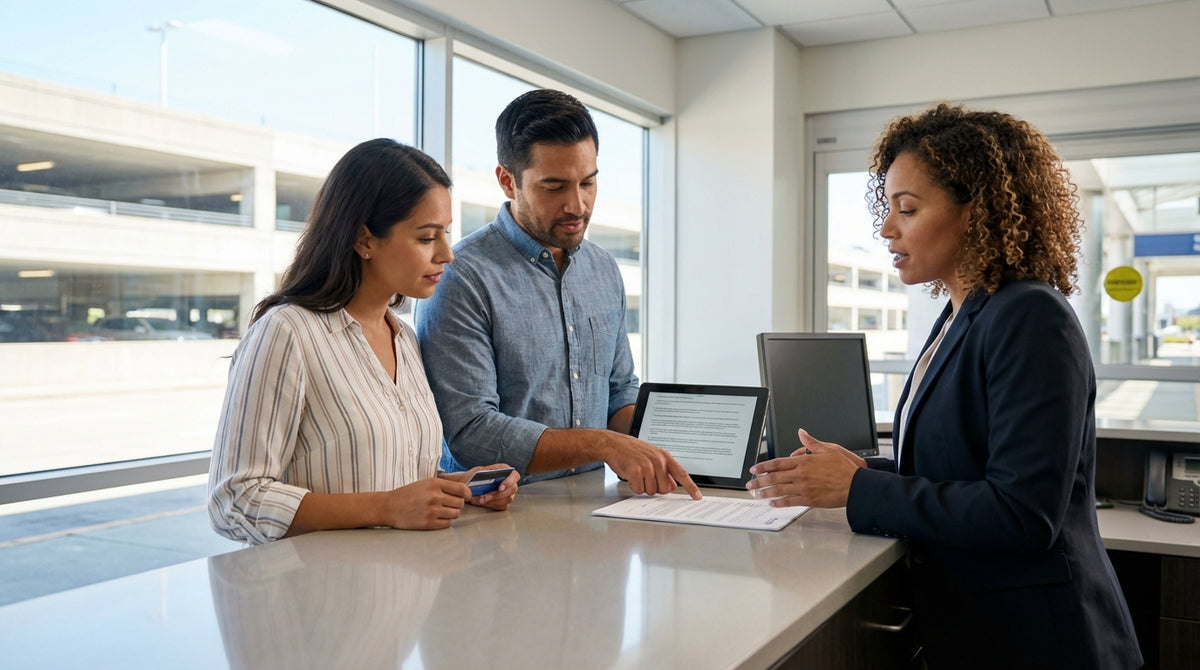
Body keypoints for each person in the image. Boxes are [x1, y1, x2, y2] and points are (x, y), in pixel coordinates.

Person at [746, 104, 1143, 669]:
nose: (887, 227)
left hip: (1040, 641)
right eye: (888, 208)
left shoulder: (1030, 316)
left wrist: (858, 491)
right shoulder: (961, 315)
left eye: (907, 209)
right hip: (979, 631)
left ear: (976, 213)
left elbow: (1022, 514)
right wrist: (853, 472)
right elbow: (953, 467)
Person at [208, 139, 519, 546]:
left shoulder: (403, 337)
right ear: (364, 240)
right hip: (319, 597)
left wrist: (457, 488)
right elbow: (234, 500)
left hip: (402, 590)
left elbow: (387, 477)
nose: (447, 254)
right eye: (427, 238)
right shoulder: (287, 332)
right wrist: (386, 508)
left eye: (445, 234)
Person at [416, 89, 700, 499]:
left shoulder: (604, 270)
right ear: (507, 180)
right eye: (554, 187)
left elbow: (618, 392)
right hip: (500, 517)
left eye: (588, 182)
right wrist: (603, 444)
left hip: (599, 505)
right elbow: (470, 430)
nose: (577, 205)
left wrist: (682, 444)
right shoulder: (462, 276)